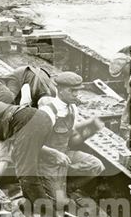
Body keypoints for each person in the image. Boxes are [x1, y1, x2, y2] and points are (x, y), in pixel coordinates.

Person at [35, 72, 104, 204]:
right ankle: (51, 187)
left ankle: (68, 188)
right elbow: (31, 143)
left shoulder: (72, 109)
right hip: (45, 162)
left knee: (96, 166)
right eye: (72, 91)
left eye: (77, 90)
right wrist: (55, 154)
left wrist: (89, 130)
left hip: (64, 155)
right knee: (59, 204)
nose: (76, 94)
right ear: (59, 90)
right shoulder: (47, 112)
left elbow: (71, 139)